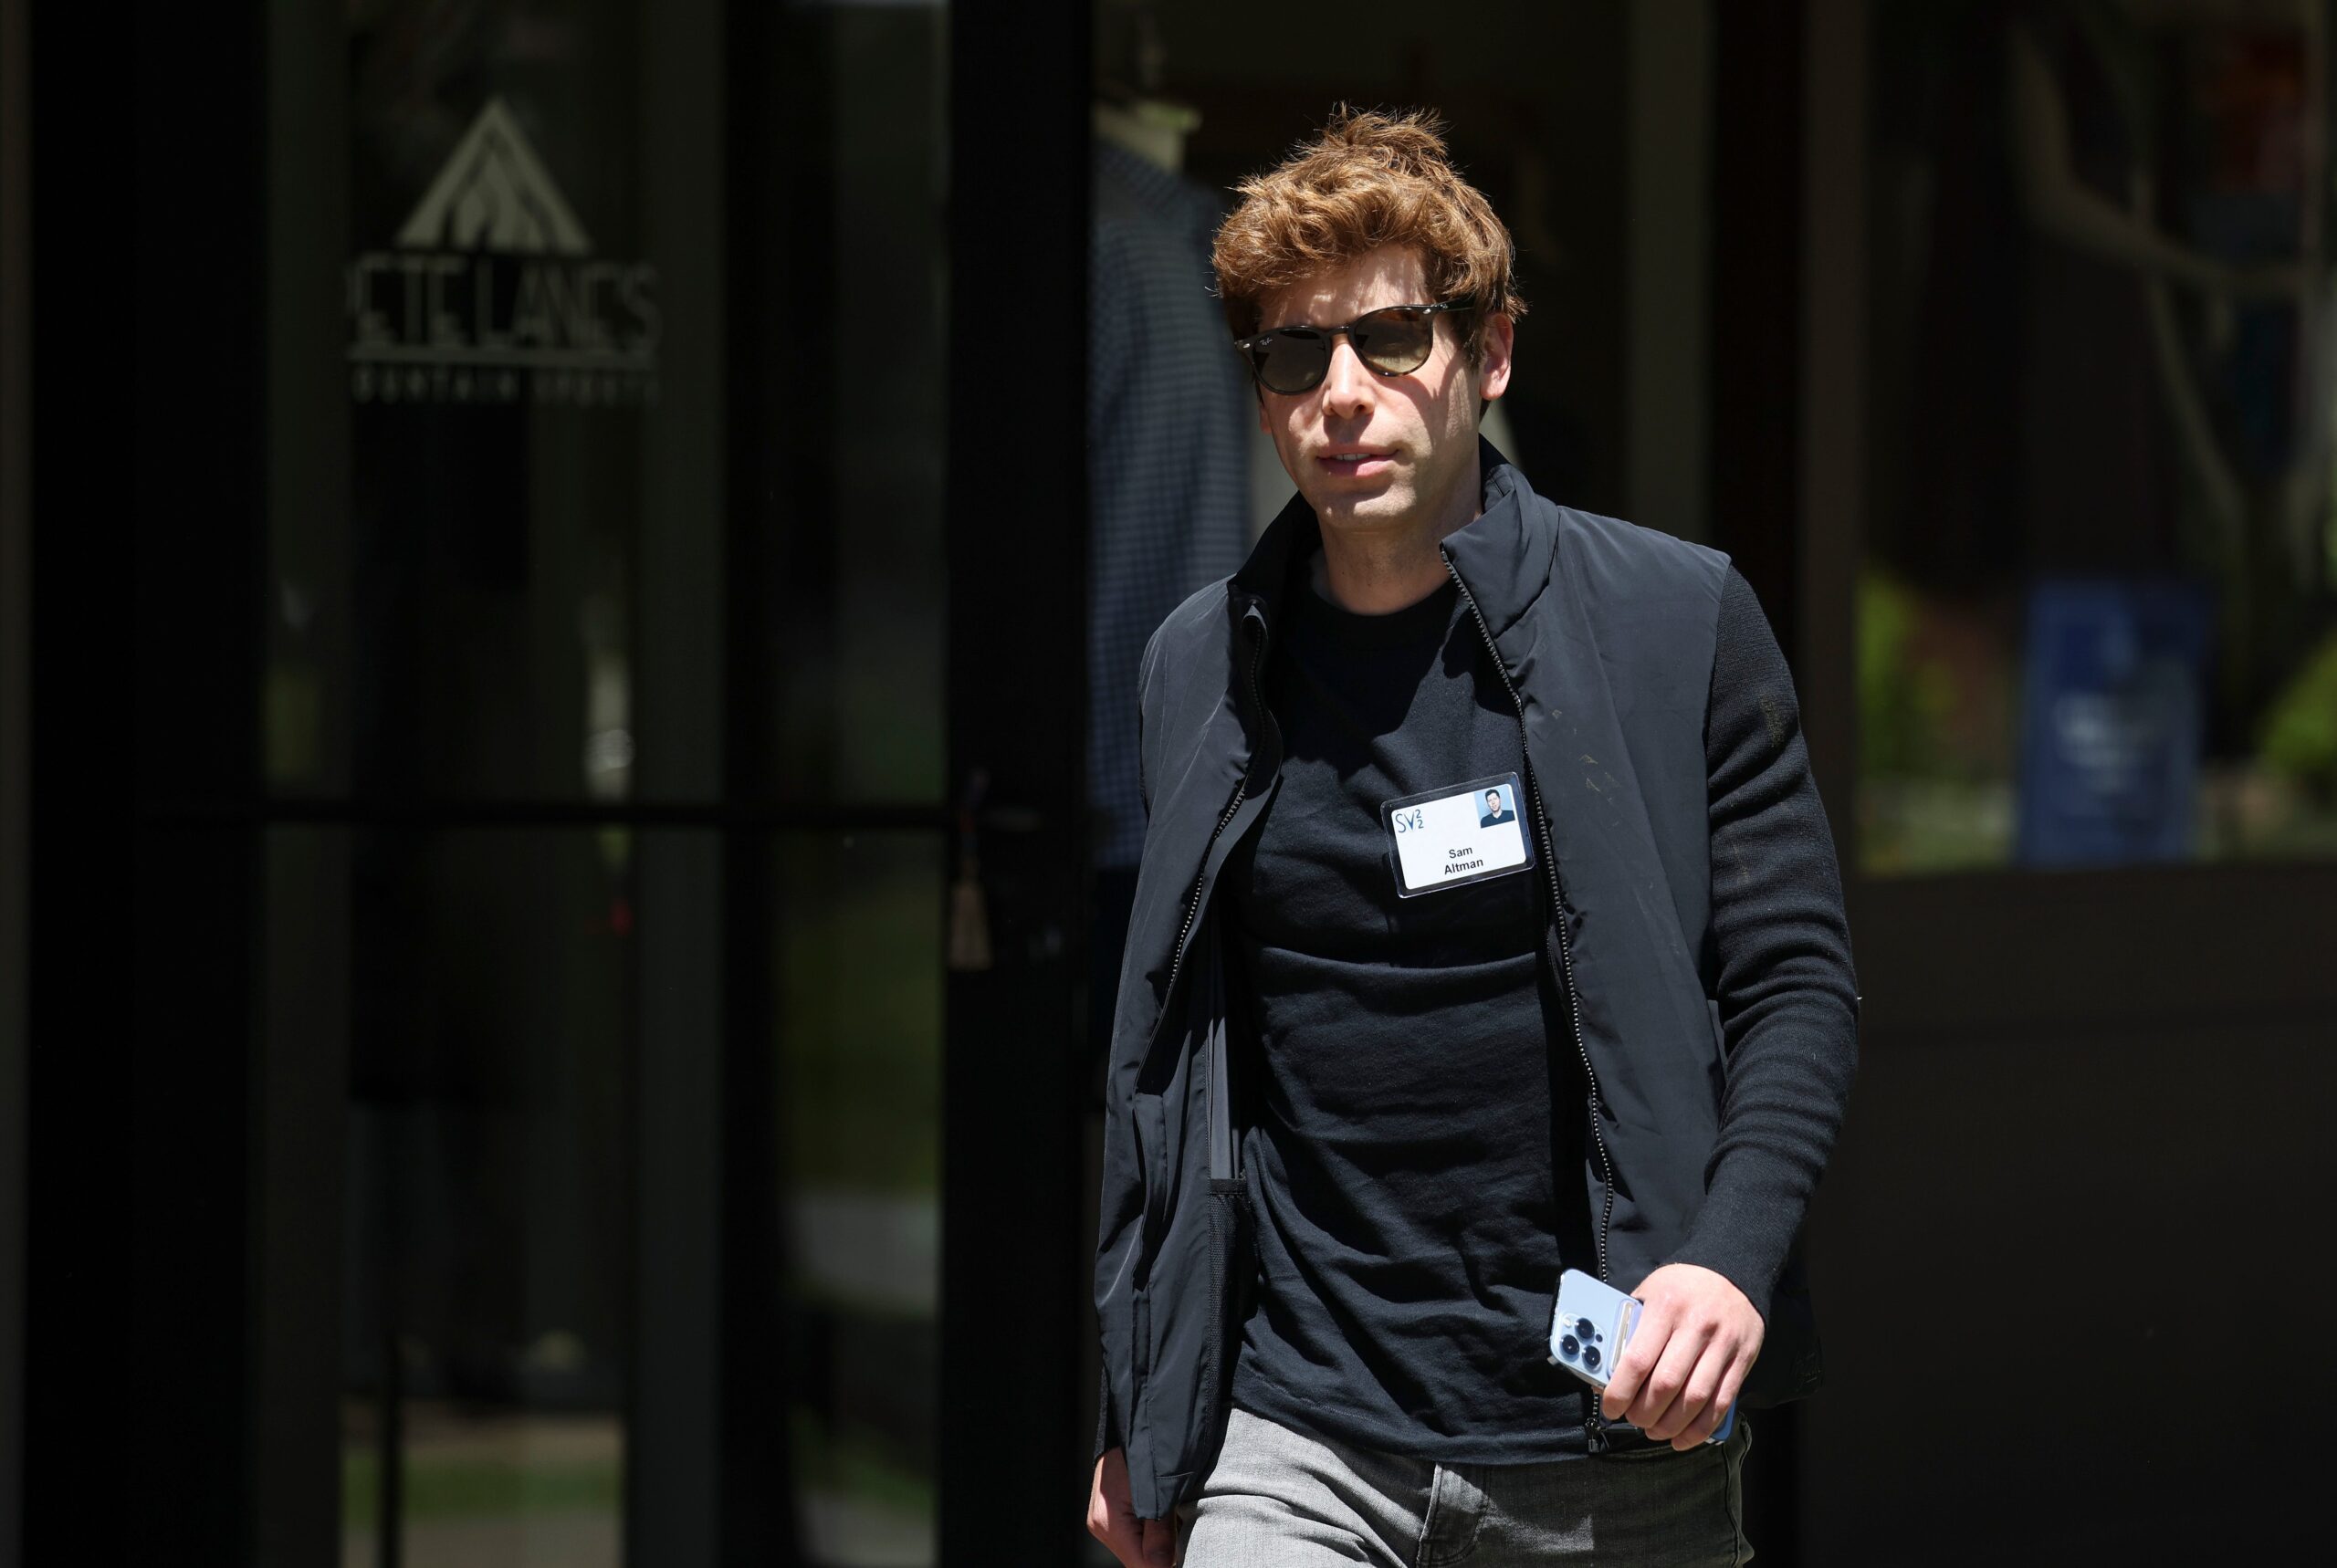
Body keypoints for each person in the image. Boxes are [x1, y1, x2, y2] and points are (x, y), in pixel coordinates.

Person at [1085, 107, 1857, 1568]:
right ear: (1258, 397)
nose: (1343, 393)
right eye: (1293, 356)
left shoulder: (1675, 621)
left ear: (1489, 355)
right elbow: (1171, 1076)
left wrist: (1728, 1255)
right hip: (1301, 1436)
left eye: (1390, 341)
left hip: (1607, 1447)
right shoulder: (1201, 666)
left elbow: (1796, 985)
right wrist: (1147, 1395)